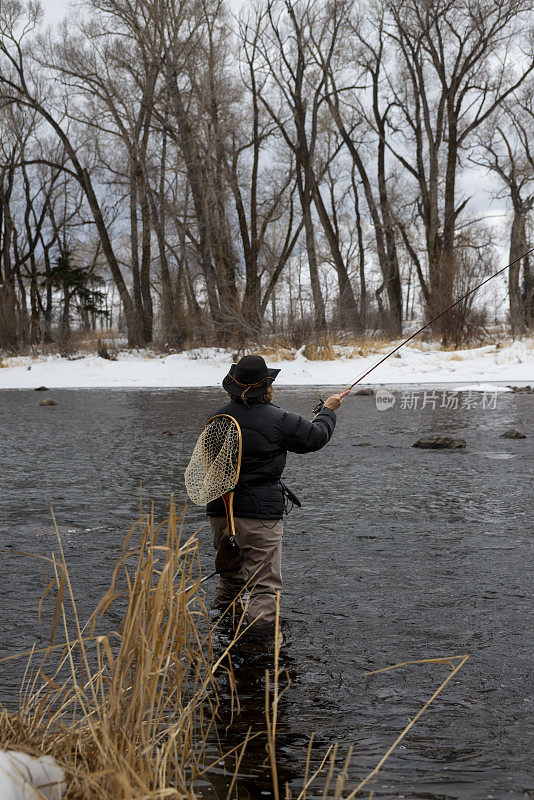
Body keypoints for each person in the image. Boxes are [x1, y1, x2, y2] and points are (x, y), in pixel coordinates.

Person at [206, 354, 349, 634]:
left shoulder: (216, 417)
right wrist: (329, 410)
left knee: (229, 578)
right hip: (260, 516)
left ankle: (220, 636)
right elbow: (316, 437)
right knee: (264, 586)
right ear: (267, 387)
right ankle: (260, 649)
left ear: (232, 387)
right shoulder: (279, 419)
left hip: (221, 512)